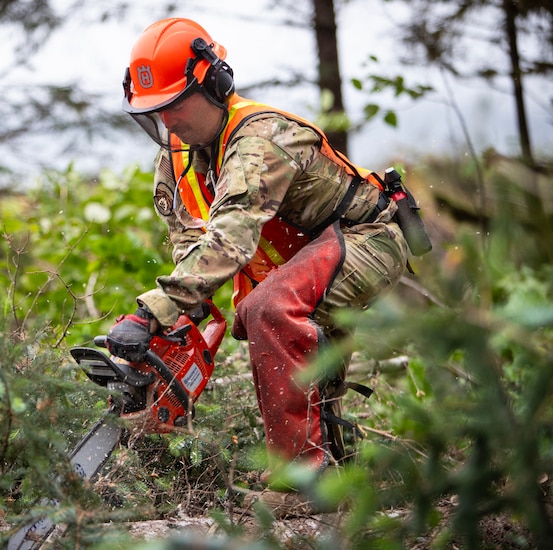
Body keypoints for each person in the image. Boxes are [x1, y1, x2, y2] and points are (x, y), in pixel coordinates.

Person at [105, 17, 409, 515]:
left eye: (175, 105)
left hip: (366, 238)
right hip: (308, 252)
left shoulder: (259, 140)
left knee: (268, 308)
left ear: (214, 83)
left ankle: (301, 480)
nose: (169, 123)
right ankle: (328, 471)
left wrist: (151, 311)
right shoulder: (178, 159)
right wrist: (172, 332)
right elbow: (191, 248)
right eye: (156, 113)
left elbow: (230, 239)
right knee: (266, 315)